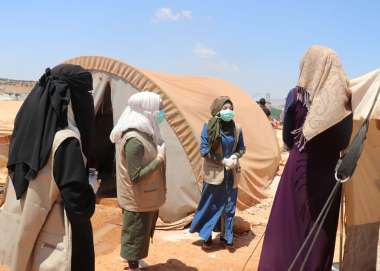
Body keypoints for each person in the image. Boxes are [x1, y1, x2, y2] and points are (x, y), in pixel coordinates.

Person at [258, 45, 353, 270]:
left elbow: (289, 139)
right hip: (327, 175)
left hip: (298, 168)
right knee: (318, 235)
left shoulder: (295, 95)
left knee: (287, 228)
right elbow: (344, 142)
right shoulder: (344, 101)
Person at [0, 64, 97, 271]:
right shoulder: (66, 142)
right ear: (72, 97)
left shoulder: (27, 131)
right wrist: (91, 189)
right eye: (87, 93)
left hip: (29, 238)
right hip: (59, 247)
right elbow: (78, 207)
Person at [110, 92, 167, 271]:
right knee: (135, 233)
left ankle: (136, 259)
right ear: (147, 111)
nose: (161, 114)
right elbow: (135, 176)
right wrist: (158, 160)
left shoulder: (146, 132)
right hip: (137, 198)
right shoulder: (134, 140)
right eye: (159, 110)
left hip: (145, 196)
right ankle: (132, 264)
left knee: (142, 231)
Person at [189, 96, 246, 250]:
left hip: (231, 173)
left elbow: (241, 148)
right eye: (225, 108)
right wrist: (222, 160)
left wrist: (235, 156)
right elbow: (204, 150)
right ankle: (206, 237)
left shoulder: (237, 128)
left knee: (229, 206)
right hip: (214, 174)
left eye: (231, 108)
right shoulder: (208, 127)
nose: (229, 111)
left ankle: (227, 237)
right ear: (217, 110)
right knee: (211, 205)